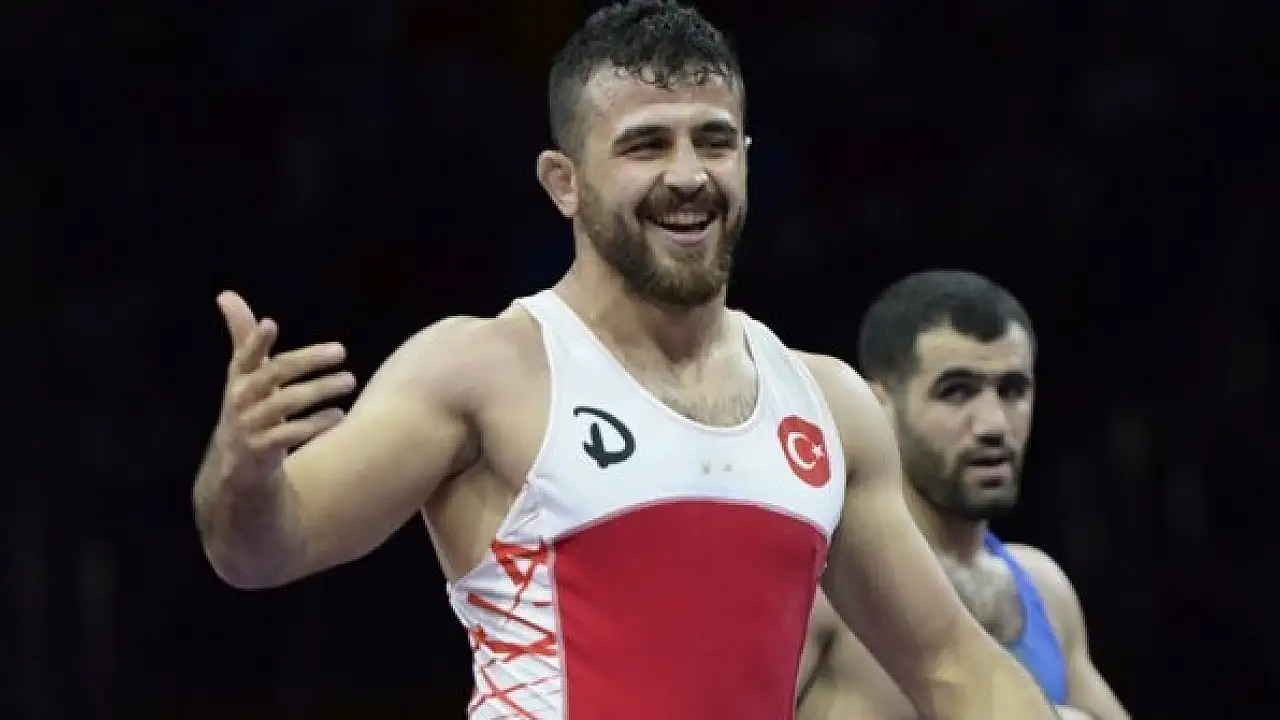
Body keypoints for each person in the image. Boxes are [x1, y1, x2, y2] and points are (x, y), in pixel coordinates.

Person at [192, 2, 1060, 718]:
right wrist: (241, 476)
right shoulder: (482, 372)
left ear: (746, 161)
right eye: (646, 145)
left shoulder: (827, 405)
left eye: (713, 141)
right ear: (563, 181)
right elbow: (263, 551)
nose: (688, 175)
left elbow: (954, 666)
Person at [797, 270, 1130, 720]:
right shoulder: (824, 591)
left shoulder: (1044, 592)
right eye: (957, 392)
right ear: (878, 406)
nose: (993, 424)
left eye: (1012, 391)